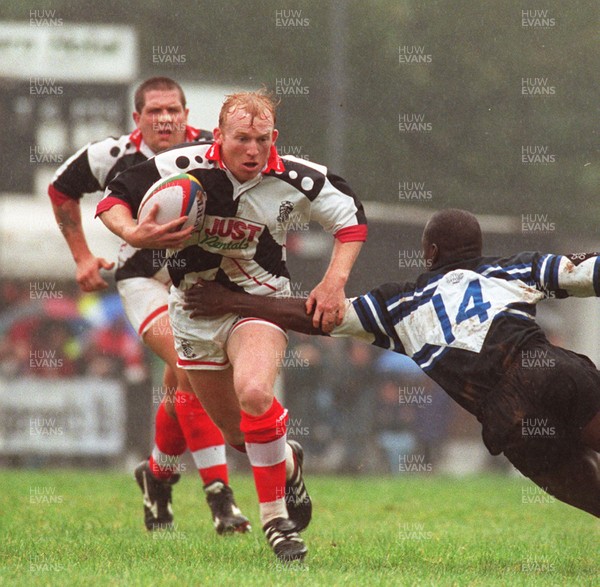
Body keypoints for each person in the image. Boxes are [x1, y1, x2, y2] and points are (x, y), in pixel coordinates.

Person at [184, 208, 600, 519]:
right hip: (553, 370)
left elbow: (315, 315)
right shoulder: (512, 268)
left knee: (588, 491)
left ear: (430, 252)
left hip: (509, 413)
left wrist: (230, 301)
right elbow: (586, 270)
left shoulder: (399, 304)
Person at [96, 90, 368, 561]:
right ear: (218, 136)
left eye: (262, 139)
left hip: (259, 306)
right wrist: (131, 231)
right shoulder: (183, 166)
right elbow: (114, 197)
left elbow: (351, 218)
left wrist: (333, 281)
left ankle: (275, 522)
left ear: (274, 138)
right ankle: (287, 460)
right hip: (193, 314)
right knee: (239, 435)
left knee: (257, 395)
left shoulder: (296, 177)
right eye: (242, 138)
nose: (253, 150)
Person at [48, 77, 250, 535]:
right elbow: (61, 189)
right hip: (142, 279)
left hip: (197, 282)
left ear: (186, 115)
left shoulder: (214, 149)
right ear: (136, 118)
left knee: (183, 379)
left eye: (173, 110)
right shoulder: (113, 155)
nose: (165, 118)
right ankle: (221, 498)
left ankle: (157, 476)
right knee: (190, 364)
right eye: (154, 111)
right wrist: (81, 256)